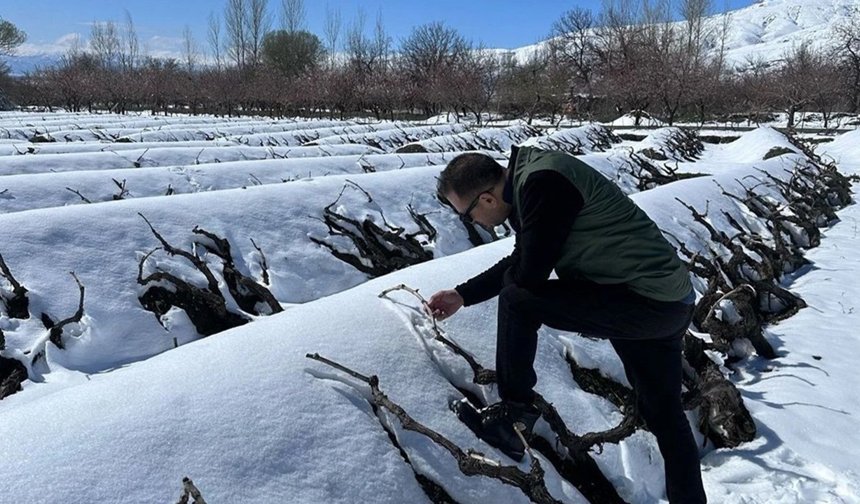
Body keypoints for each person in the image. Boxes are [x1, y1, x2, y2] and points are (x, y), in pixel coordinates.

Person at [426, 146, 707, 503]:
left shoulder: (543, 184)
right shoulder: (533, 177)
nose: (472, 224)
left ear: (486, 198)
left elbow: (529, 275)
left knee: (518, 300)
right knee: (664, 415)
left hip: (645, 300)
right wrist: (463, 295)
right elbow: (525, 257)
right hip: (665, 299)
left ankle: (512, 420)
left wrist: (485, 291)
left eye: (467, 216)